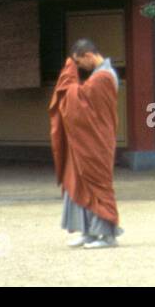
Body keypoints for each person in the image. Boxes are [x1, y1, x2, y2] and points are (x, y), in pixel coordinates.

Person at [49, 38, 123, 248]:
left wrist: (67, 81)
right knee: (79, 180)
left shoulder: (103, 77)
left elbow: (80, 104)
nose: (79, 67)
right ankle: (88, 231)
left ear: (88, 55)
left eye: (79, 63)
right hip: (90, 140)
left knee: (98, 185)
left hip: (97, 141)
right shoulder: (98, 76)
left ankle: (107, 235)